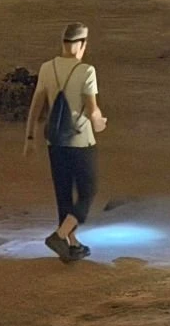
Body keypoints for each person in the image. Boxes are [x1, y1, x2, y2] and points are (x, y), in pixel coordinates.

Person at [23, 22, 107, 261]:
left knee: (63, 193)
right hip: (81, 142)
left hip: (56, 142)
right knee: (88, 191)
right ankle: (60, 236)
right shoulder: (86, 71)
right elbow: (93, 111)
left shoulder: (47, 68)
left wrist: (30, 137)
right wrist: (100, 123)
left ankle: (71, 245)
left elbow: (36, 106)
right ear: (81, 45)